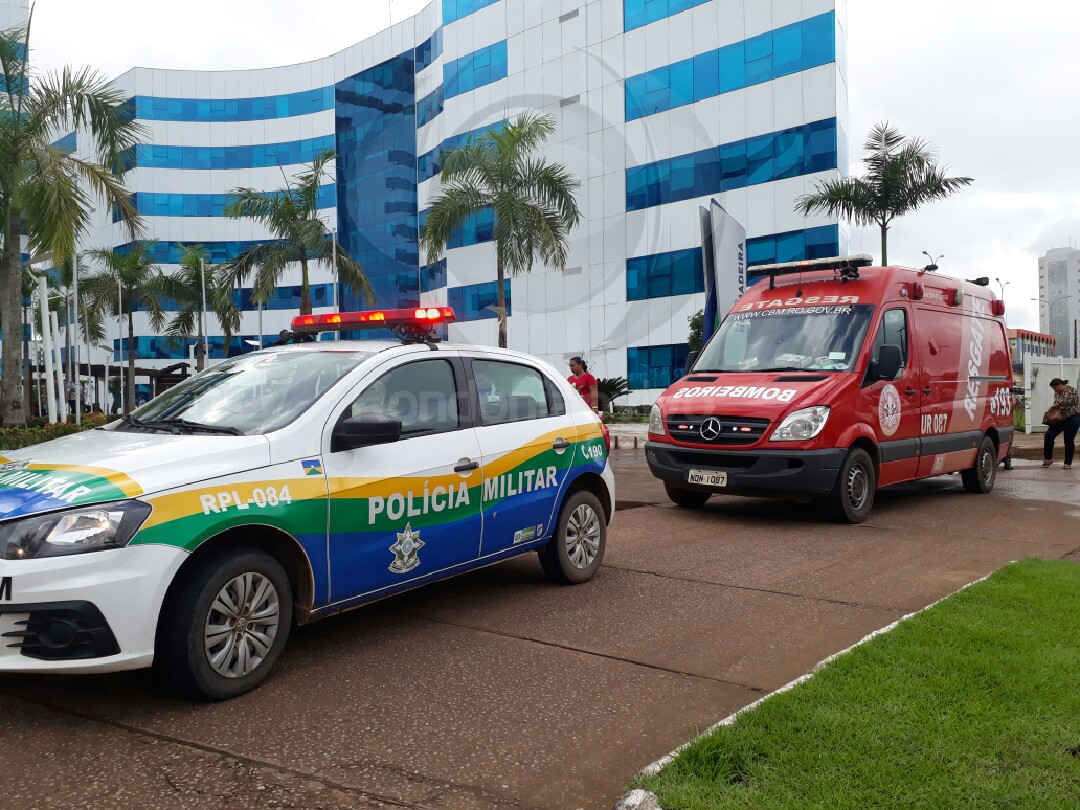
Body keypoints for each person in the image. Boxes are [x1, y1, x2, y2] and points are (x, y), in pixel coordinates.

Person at [1042, 377, 1080, 469]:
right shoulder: (1057, 392)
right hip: (1059, 419)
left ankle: (1068, 463)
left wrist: (1055, 405)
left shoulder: (1072, 390)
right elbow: (1057, 403)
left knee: (1068, 440)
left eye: (1055, 388)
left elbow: (1069, 401)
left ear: (1059, 385)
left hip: (1072, 418)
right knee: (1048, 435)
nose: (1054, 390)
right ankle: (1048, 458)